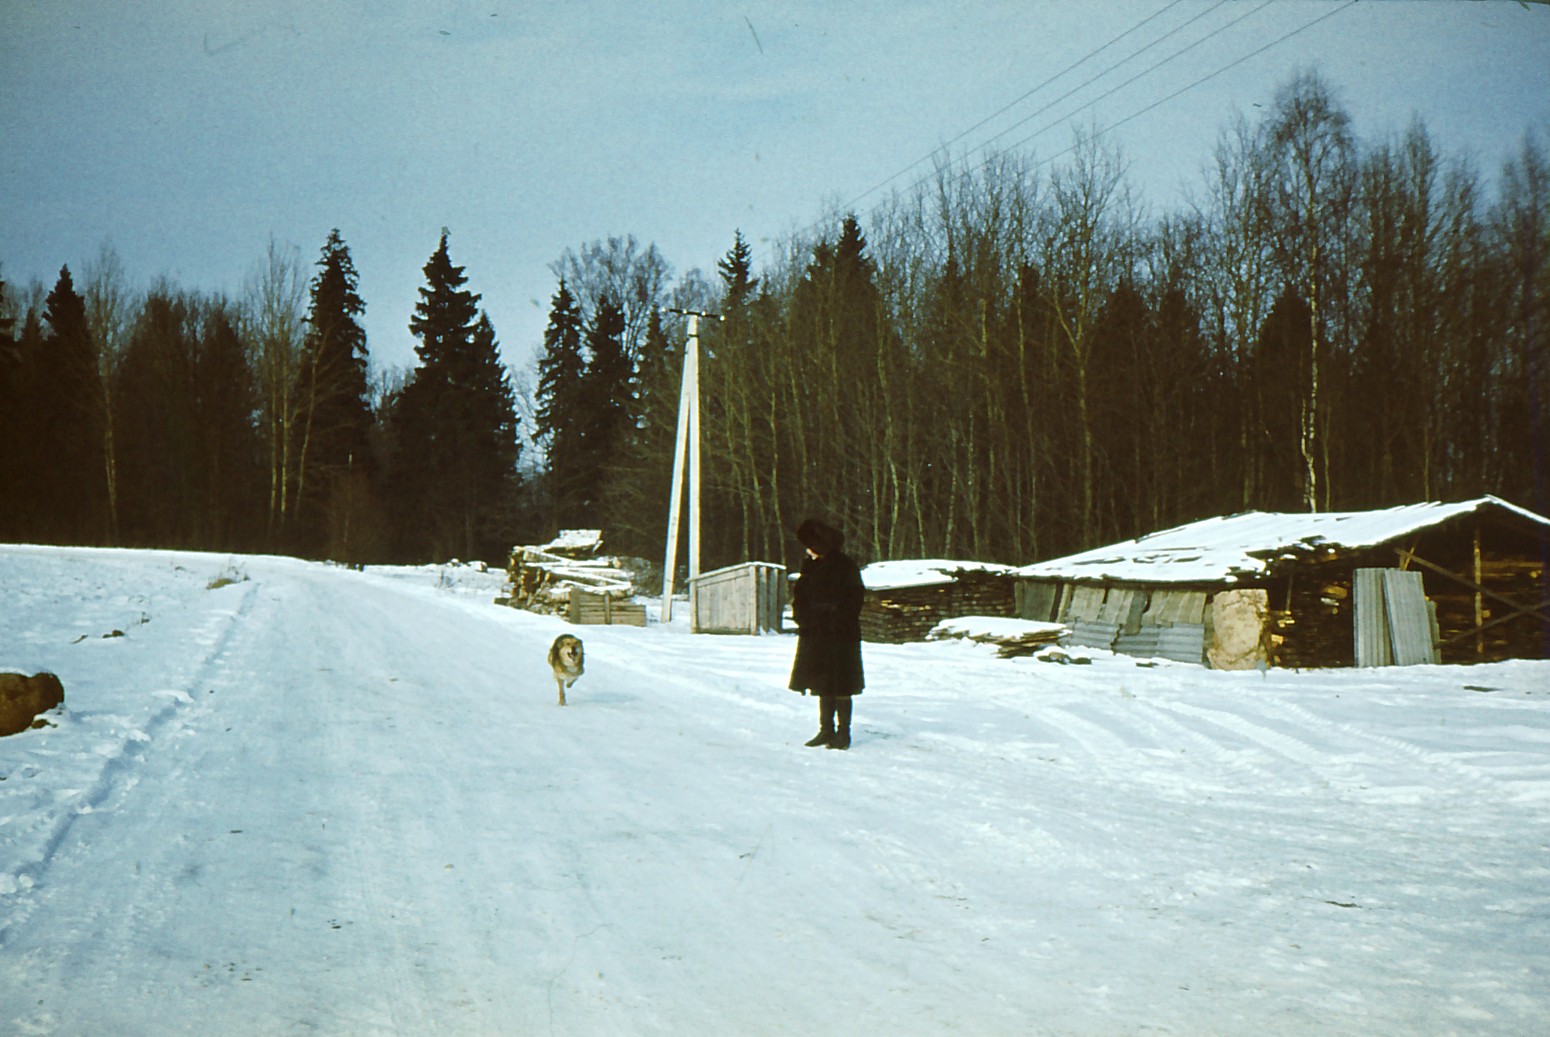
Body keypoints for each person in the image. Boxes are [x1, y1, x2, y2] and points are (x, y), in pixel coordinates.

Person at [787, 517, 865, 749]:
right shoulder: (810, 566)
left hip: (840, 635)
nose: (807, 550)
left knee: (841, 685)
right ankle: (826, 730)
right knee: (822, 683)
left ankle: (843, 734)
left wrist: (834, 617)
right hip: (816, 633)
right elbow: (801, 596)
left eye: (810, 544)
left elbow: (854, 599)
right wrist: (802, 617)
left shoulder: (845, 566)